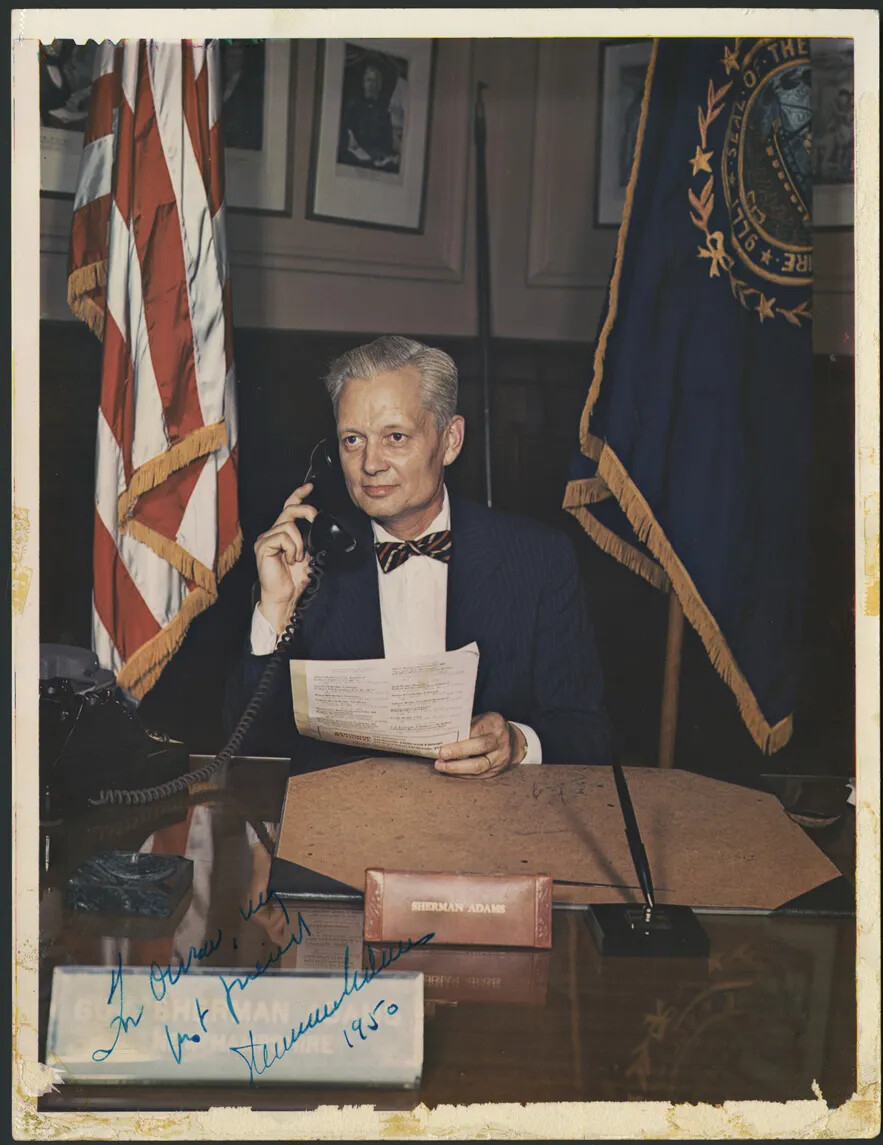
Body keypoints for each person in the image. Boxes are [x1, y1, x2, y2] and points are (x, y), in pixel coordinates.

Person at [226, 336, 611, 776]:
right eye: (353, 440)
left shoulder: (540, 559)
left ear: (450, 441)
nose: (370, 463)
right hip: (339, 832)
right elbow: (246, 745)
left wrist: (518, 742)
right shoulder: (308, 561)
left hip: (492, 831)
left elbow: (588, 732)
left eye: (395, 437)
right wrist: (274, 610)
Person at [339, 62, 399, 171]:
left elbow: (387, 143)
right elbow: (348, 138)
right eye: (369, 80)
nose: (372, 84)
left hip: (378, 159)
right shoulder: (353, 108)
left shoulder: (384, 113)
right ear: (364, 83)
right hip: (357, 158)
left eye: (375, 81)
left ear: (380, 86)